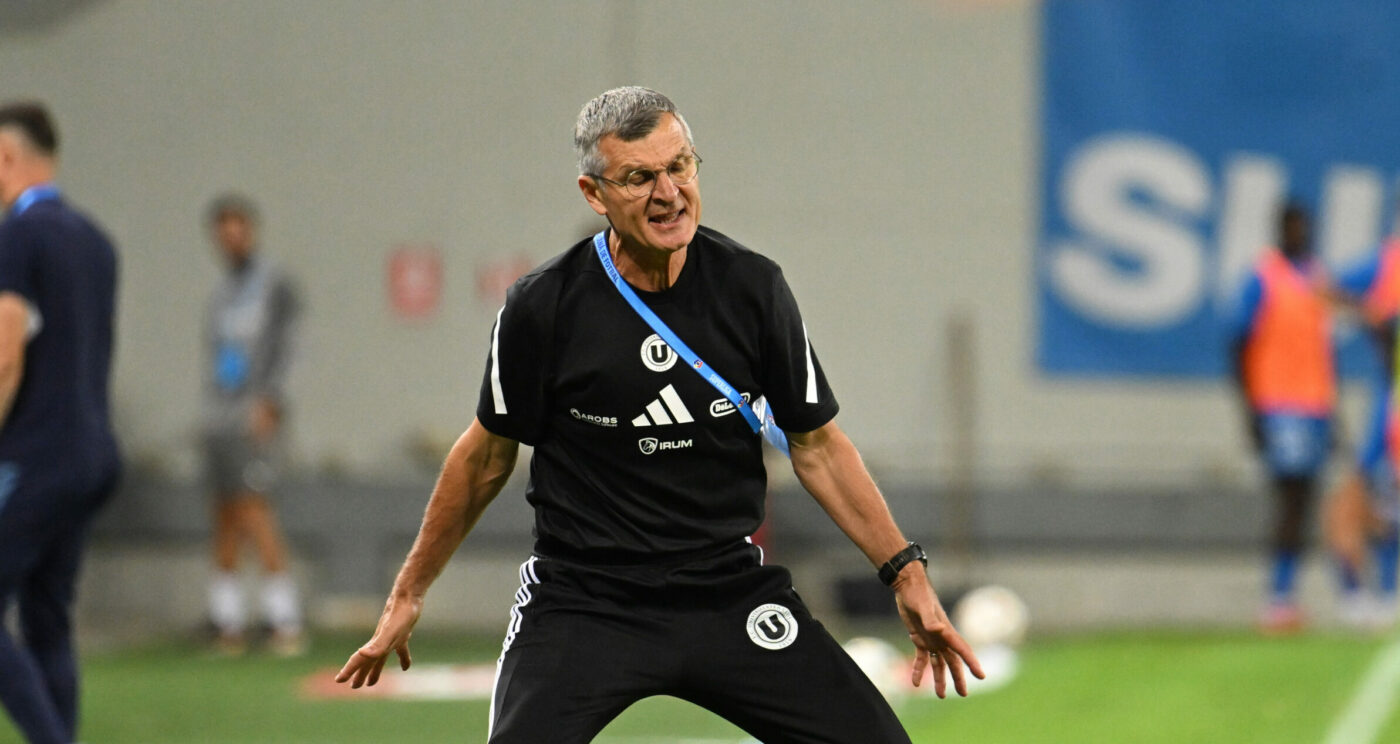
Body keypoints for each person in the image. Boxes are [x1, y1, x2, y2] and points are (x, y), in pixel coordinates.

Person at [337, 87, 982, 742]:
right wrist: (409, 592)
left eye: (680, 166)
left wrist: (905, 573)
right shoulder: (541, 307)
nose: (669, 193)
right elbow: (484, 458)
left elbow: (816, 446)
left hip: (727, 592)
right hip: (584, 602)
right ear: (594, 194)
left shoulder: (753, 288)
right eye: (639, 177)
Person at [0, 101, 121, 744]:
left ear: (6, 158)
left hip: (37, 454)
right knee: (47, 619)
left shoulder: (19, 235)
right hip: (93, 451)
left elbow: (4, 355)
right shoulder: (96, 241)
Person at [201, 193, 305, 656]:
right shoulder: (221, 292)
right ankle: (227, 620)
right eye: (223, 231)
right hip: (219, 415)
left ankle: (284, 618)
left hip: (254, 415)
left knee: (254, 509)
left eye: (238, 229)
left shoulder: (273, 285)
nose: (231, 239)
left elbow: (290, 347)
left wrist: (272, 401)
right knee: (224, 512)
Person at [1229, 202, 1337, 634]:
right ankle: (1275, 597)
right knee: (1288, 497)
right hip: (1278, 402)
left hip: (1315, 405)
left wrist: (1335, 415)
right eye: (1293, 227)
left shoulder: (1315, 277)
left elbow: (1321, 350)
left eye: (1305, 227)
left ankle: (1287, 594)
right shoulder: (1262, 276)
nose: (1301, 234)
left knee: (1306, 498)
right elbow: (1237, 342)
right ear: (1279, 230)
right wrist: (1250, 409)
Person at [1326, 224, 1400, 629]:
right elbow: (1325, 286)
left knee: (1385, 502)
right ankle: (1356, 589)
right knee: (1363, 495)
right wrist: (1368, 310)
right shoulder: (1387, 262)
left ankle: (1383, 590)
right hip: (1390, 404)